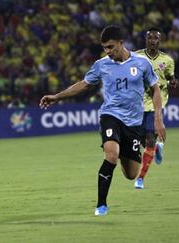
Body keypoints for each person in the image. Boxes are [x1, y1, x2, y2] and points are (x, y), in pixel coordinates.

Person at [39, 25, 166, 216]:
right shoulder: (102, 64)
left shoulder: (142, 63)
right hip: (110, 116)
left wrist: (158, 118)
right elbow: (84, 85)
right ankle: (101, 205)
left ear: (121, 43)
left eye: (110, 47)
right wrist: (57, 97)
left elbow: (155, 89)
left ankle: (149, 148)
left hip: (133, 122)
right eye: (104, 48)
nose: (107, 51)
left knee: (131, 174)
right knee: (111, 155)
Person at [134, 27, 179, 189]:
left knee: (150, 138)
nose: (152, 40)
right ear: (145, 40)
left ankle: (140, 178)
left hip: (156, 101)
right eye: (150, 38)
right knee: (140, 140)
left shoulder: (167, 60)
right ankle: (157, 148)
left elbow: (171, 77)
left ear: (160, 41)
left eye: (156, 38)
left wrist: (173, 81)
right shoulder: (136, 56)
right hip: (138, 103)